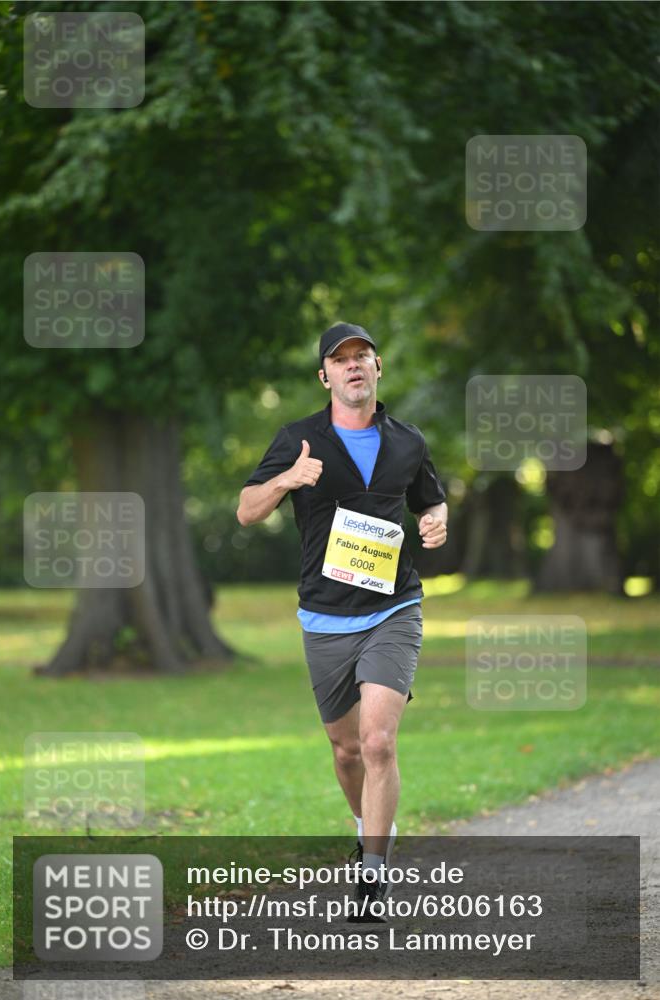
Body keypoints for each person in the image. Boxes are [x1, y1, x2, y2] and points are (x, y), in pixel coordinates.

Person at [237, 322, 448, 921]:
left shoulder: (407, 440)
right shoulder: (298, 439)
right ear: (324, 375)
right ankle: (364, 827)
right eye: (341, 359)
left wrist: (437, 521)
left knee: (379, 742)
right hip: (325, 616)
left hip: (394, 608)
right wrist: (285, 479)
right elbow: (246, 512)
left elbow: (430, 500)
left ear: (378, 369)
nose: (354, 366)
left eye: (363, 357)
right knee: (346, 748)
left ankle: (373, 876)